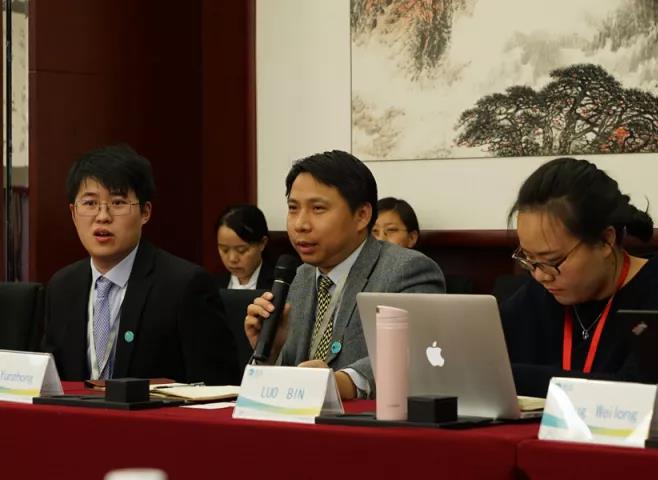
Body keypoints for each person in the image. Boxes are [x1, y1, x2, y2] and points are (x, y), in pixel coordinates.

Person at [245, 150, 445, 400]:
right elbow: (290, 380)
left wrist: (341, 382)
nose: (300, 224)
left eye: (318, 209)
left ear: (362, 216)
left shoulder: (407, 270)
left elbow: (413, 352)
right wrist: (270, 353)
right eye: (293, 208)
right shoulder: (299, 277)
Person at [501, 157, 658, 397]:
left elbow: (638, 392)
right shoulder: (537, 293)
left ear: (606, 240)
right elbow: (481, 360)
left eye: (553, 260)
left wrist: (505, 376)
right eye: (529, 259)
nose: (540, 275)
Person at [43, 144, 240, 385]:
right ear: (74, 213)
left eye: (118, 202)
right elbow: (49, 382)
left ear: (145, 212)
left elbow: (218, 387)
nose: (102, 216)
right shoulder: (62, 287)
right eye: (90, 204)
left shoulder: (184, 286)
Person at [215, 204, 273, 290]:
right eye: (225, 250)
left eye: (241, 250)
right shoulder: (211, 285)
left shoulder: (278, 284)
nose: (232, 259)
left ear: (262, 243)